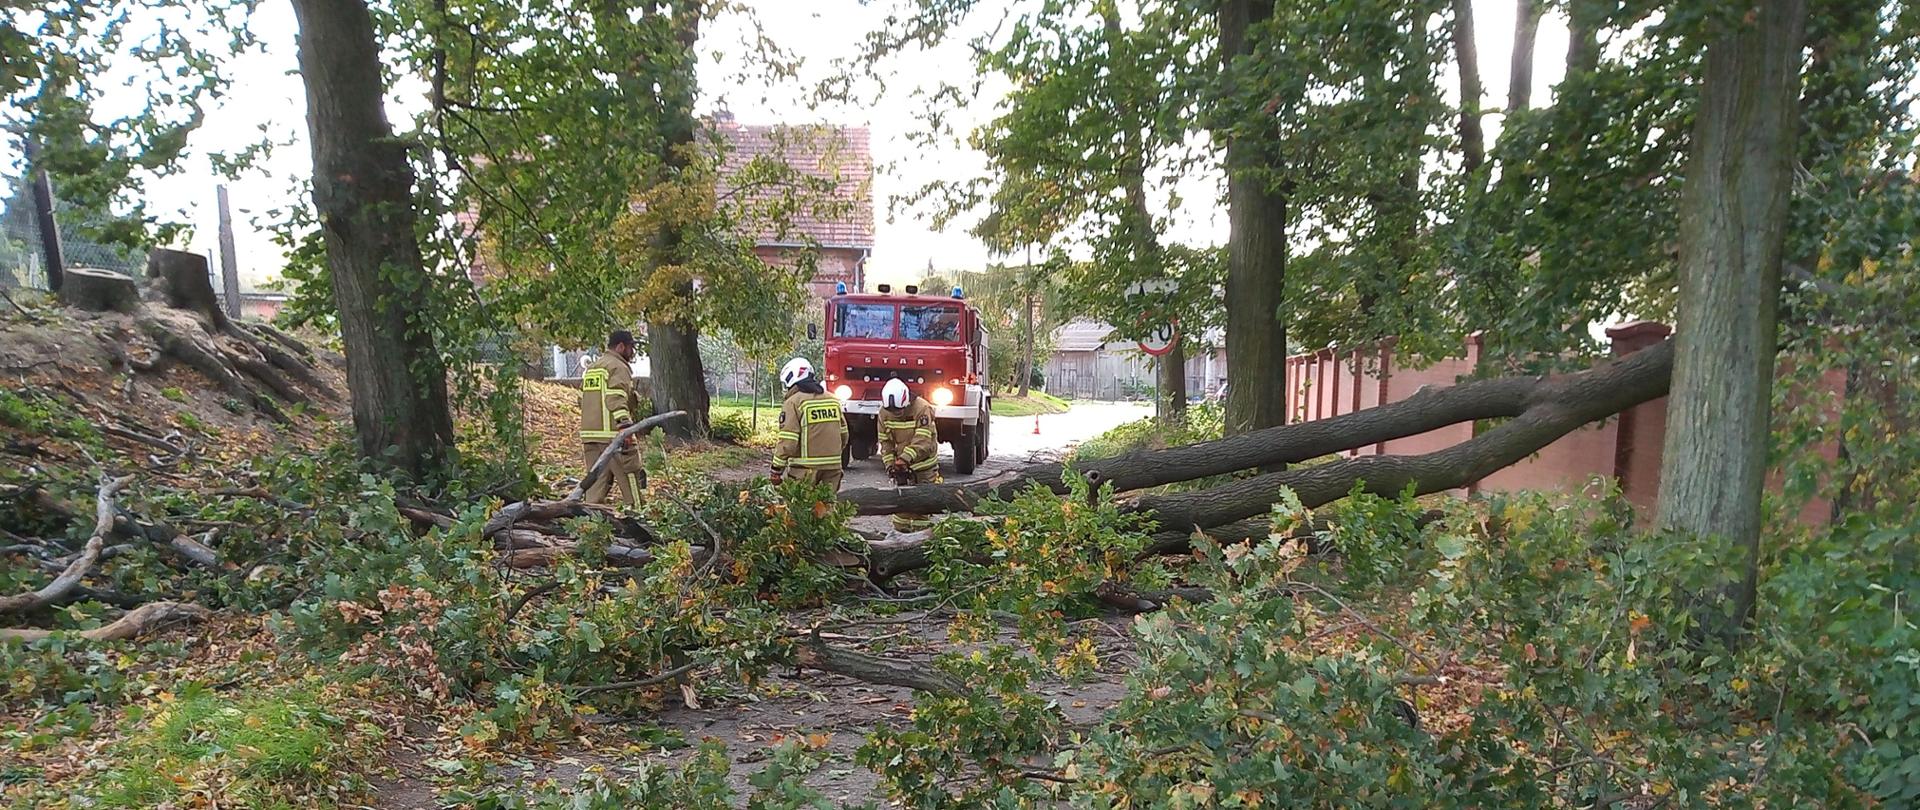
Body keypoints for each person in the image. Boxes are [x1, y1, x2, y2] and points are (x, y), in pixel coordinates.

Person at [579, 330, 646, 506]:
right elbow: (615, 398)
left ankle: (590, 524)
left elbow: (584, 400)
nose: (633, 353)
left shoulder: (593, 368)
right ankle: (640, 519)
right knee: (631, 476)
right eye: (631, 347)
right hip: (613, 435)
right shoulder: (618, 367)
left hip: (590, 436)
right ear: (621, 346)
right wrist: (625, 429)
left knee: (595, 485)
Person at [769, 357, 848, 491]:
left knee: (800, 509)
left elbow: (788, 441)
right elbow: (844, 434)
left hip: (804, 470)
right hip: (833, 467)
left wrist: (776, 468)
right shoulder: (833, 400)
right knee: (826, 508)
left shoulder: (793, 402)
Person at [877, 378, 942, 531]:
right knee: (901, 508)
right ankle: (900, 537)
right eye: (893, 412)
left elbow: (923, 440)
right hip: (902, 467)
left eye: (898, 411)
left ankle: (922, 540)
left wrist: (904, 459)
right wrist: (890, 465)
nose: (896, 414)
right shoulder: (884, 413)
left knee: (922, 507)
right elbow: (885, 441)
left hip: (924, 467)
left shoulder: (922, 408)